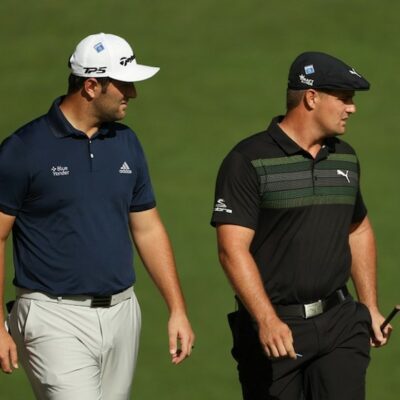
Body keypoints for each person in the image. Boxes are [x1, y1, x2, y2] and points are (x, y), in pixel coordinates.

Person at [0, 32, 194, 399]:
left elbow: (148, 228)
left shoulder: (126, 142)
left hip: (123, 314)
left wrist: (177, 309)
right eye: (124, 84)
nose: (132, 94)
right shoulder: (22, 150)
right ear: (91, 86)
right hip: (52, 317)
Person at [211, 51, 392, 400]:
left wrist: (368, 306)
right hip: (277, 331)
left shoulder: (345, 157)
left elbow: (359, 228)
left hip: (341, 323)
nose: (351, 108)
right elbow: (231, 249)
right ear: (311, 97)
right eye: (344, 98)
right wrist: (265, 319)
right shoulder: (247, 160)